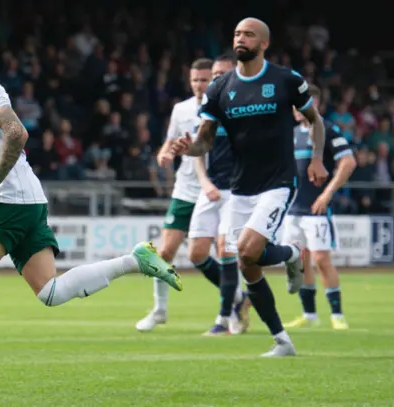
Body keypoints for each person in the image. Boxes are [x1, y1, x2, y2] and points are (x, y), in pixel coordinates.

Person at [0, 24, 182, 392]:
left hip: (9, 198)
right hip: (27, 198)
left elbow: (17, 132)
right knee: (50, 292)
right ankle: (136, 261)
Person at [171, 17, 328, 357]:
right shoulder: (219, 88)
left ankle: (292, 255)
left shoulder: (286, 80)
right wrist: (189, 148)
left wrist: (316, 159)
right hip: (240, 188)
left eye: (249, 34)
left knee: (247, 249)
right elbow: (206, 142)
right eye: (237, 33)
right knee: (246, 262)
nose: (241, 38)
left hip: (278, 182)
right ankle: (282, 339)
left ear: (264, 44)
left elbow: (316, 120)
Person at [135, 58, 220, 332]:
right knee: (165, 251)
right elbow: (171, 141)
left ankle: (235, 301)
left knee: (220, 252)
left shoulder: (223, 108)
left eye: (204, 80)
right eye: (195, 80)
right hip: (186, 188)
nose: (199, 85)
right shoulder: (181, 109)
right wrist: (164, 154)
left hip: (217, 189)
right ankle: (159, 310)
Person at [283, 85, 356, 330]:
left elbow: (348, 162)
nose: (296, 110)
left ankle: (337, 315)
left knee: (322, 260)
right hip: (291, 211)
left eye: (302, 105)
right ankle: (310, 315)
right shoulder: (290, 133)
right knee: (299, 262)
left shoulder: (327, 131)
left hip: (316, 211)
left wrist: (327, 194)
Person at [189, 54, 250, 336]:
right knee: (197, 253)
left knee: (226, 248)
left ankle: (224, 319)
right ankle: (238, 296)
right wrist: (204, 183)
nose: (215, 79)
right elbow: (198, 150)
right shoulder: (208, 109)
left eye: (221, 74)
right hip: (211, 188)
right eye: (214, 74)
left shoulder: (247, 109)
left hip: (236, 191)